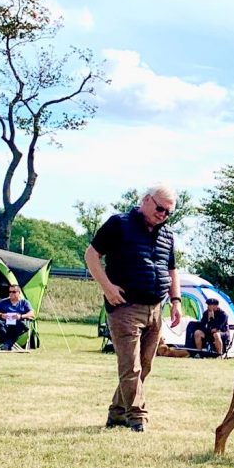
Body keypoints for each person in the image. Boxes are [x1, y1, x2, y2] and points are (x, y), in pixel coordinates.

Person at [85, 185, 182, 433]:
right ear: (146, 201)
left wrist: (176, 301)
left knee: (145, 365)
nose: (163, 215)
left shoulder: (168, 234)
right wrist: (107, 288)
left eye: (168, 212)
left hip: (155, 308)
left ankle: (117, 412)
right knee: (131, 366)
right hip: (125, 307)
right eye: (160, 208)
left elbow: (172, 270)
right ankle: (137, 416)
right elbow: (91, 255)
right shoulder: (119, 224)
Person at [0, 284, 34, 350]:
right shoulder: (3, 301)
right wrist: (1, 315)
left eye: (13, 292)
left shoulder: (24, 302)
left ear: (19, 293)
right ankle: (8, 344)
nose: (11, 293)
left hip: (17, 324)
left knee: (21, 325)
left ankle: (6, 345)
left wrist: (21, 316)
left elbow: (32, 313)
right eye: (10, 292)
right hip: (5, 324)